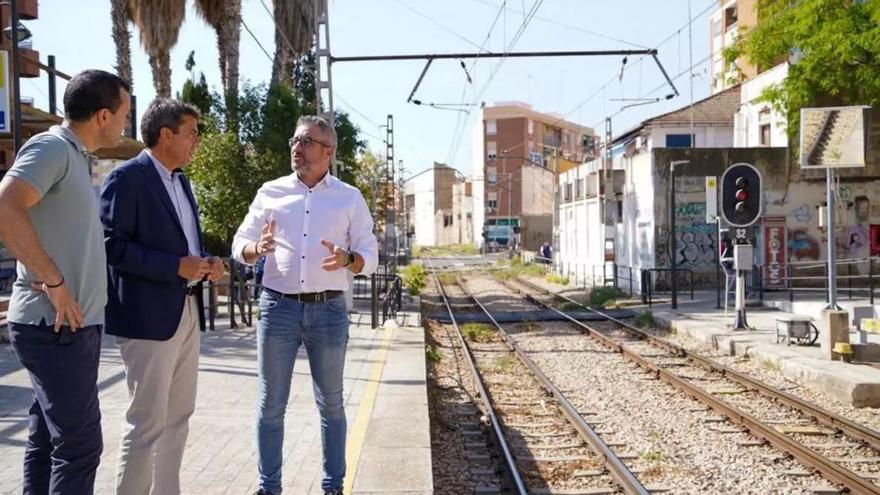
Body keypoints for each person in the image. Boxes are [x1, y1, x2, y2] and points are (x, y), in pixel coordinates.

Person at [232, 115, 378, 495]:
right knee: (270, 406)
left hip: (328, 312)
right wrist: (254, 249)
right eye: (295, 140)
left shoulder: (349, 197)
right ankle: (270, 487)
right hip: (277, 309)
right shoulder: (270, 192)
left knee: (331, 404)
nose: (297, 147)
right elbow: (240, 243)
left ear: (328, 152)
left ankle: (332, 487)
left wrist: (349, 260)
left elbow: (370, 252)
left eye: (306, 141)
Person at [0, 70, 131, 494]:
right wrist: (54, 281)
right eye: (125, 114)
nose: (126, 123)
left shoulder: (77, 156)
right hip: (52, 325)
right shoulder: (52, 147)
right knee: (80, 446)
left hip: (72, 326)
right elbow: (6, 204)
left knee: (47, 440)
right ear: (104, 115)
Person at [100, 98, 224, 495]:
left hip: (186, 310)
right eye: (192, 133)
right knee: (148, 422)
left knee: (178, 418)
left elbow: (182, 245)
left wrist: (206, 263)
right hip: (147, 319)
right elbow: (111, 249)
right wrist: (175, 266)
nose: (197, 142)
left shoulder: (180, 180)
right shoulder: (127, 179)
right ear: (165, 135)